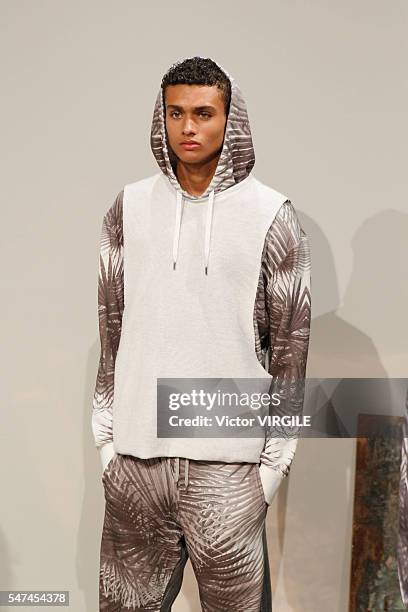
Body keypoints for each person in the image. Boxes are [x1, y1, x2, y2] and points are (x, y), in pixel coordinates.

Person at [92, 56, 312, 611]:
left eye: (203, 113)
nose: (188, 127)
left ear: (229, 119)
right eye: (176, 112)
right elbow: (110, 327)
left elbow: (291, 351)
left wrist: (271, 472)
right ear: (161, 116)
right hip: (136, 467)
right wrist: (105, 445)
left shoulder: (272, 216)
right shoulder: (129, 207)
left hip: (228, 470)